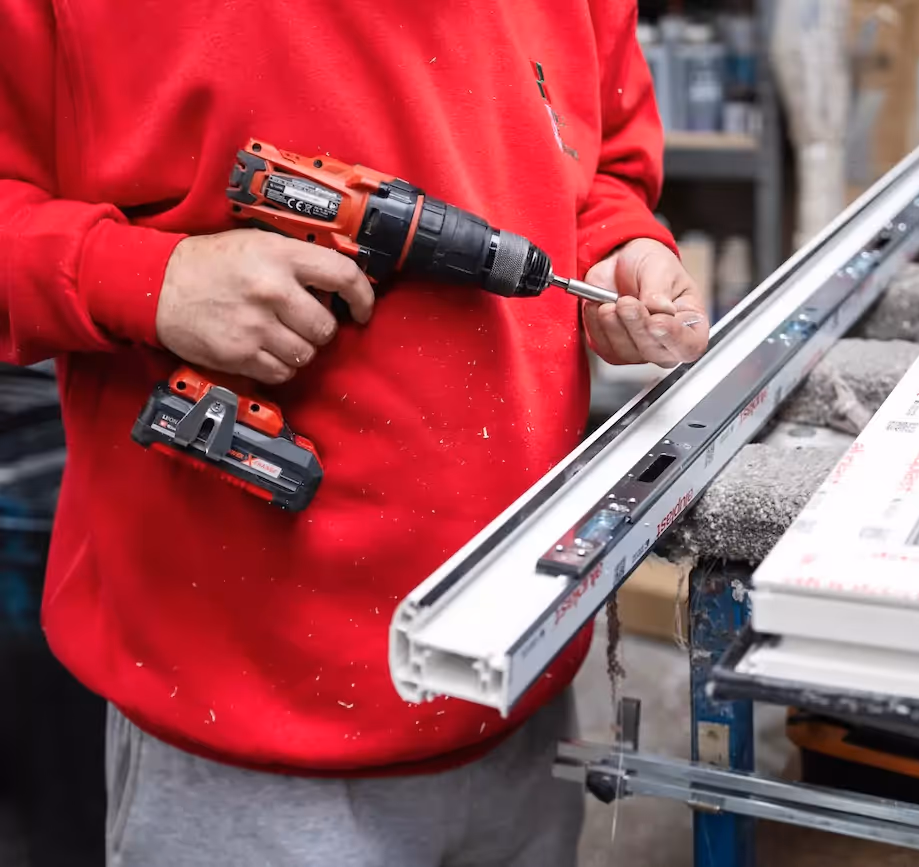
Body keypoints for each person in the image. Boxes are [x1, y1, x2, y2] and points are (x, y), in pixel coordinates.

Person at [0, 1, 709, 864]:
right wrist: (151, 279)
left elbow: (587, 158)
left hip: (518, 686)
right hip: (242, 741)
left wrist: (616, 245)